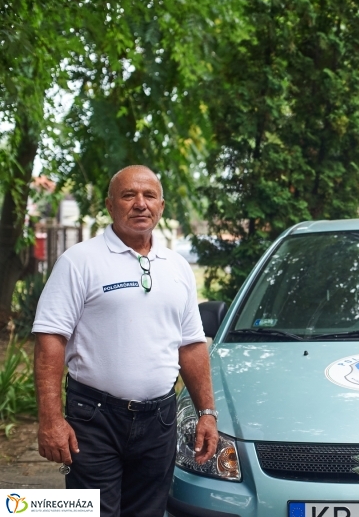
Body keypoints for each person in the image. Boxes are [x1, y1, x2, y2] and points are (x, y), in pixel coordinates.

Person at [33, 165, 218, 516]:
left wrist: (207, 413)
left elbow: (191, 344)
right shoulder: (79, 261)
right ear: (110, 205)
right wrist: (51, 420)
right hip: (93, 420)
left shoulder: (177, 267)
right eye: (128, 195)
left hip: (159, 422)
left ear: (161, 206)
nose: (140, 204)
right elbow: (50, 342)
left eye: (149, 196)